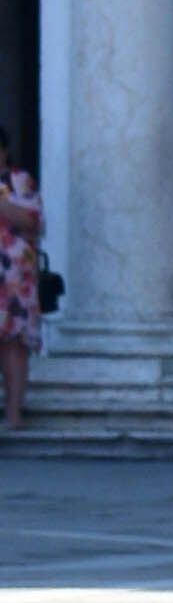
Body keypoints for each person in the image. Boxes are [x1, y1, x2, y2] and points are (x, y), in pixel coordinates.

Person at [0, 124, 45, 431]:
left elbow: (33, 222)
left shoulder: (20, 181)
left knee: (14, 343)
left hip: (15, 275)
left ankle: (14, 414)